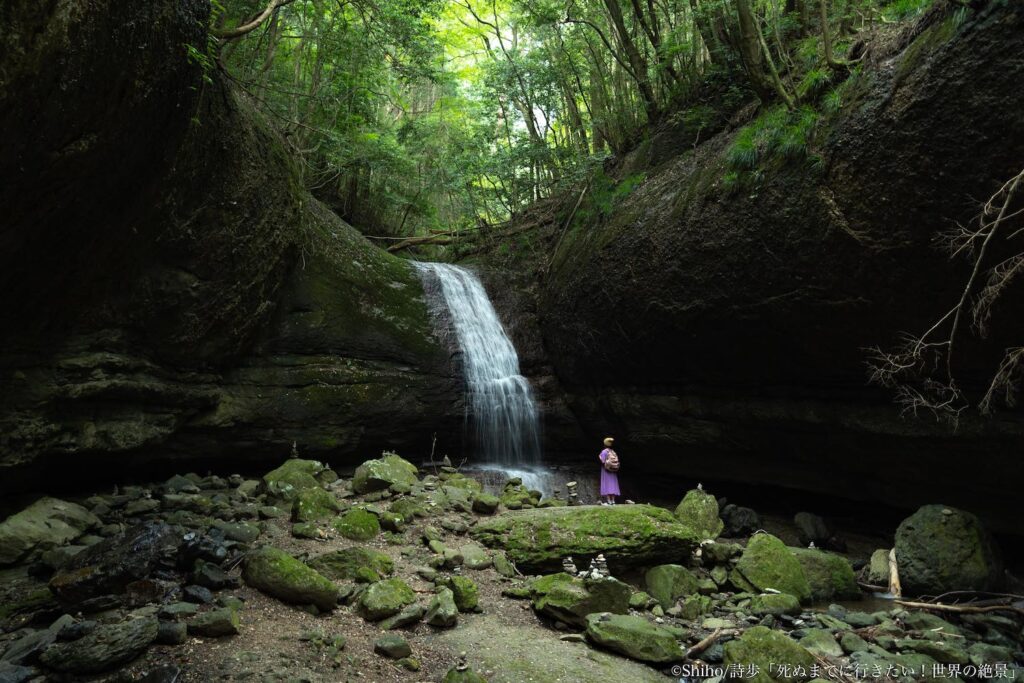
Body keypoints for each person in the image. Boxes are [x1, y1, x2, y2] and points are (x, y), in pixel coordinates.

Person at [598, 437, 620, 505]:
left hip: (606, 470)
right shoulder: (612, 451)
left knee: (606, 484)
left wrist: (599, 456)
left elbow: (603, 461)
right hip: (613, 470)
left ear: (604, 444)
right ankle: (613, 500)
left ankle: (608, 500)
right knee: (613, 484)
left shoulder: (604, 451)